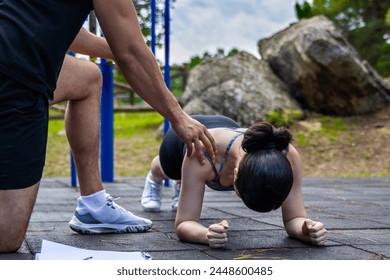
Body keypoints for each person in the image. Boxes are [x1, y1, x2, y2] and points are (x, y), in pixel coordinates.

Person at [0, 1, 217, 253]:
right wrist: (179, 118)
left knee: (87, 78)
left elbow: (56, 28)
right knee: (7, 235)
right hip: (14, 77)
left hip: (12, 51)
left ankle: (93, 205)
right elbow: (132, 53)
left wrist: (113, 45)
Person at [141, 115, 327, 248]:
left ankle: (185, 183)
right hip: (181, 140)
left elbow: (294, 218)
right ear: (234, 174)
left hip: (228, 128)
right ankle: (157, 177)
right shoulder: (203, 154)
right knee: (167, 171)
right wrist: (204, 235)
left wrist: (305, 230)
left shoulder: (286, 155)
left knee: (189, 179)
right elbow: (184, 223)